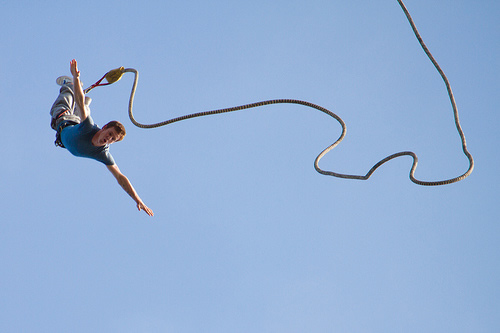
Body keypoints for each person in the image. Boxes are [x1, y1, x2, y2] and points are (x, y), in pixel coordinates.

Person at [50, 59, 154, 216]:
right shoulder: (89, 127)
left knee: (81, 110)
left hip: (71, 126)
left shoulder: (102, 153)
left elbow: (120, 178)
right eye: (110, 134)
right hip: (64, 118)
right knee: (71, 100)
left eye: (113, 140)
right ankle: (68, 84)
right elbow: (77, 98)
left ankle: (86, 103)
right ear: (104, 127)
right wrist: (76, 78)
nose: (109, 139)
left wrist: (138, 199)